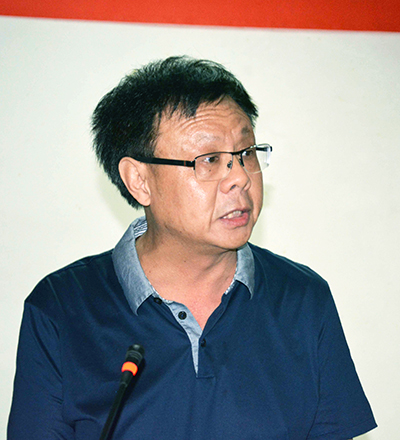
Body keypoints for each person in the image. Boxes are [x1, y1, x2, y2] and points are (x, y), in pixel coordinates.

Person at [8, 56, 376, 439]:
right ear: (140, 180)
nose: (239, 178)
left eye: (246, 153)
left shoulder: (302, 299)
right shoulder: (61, 308)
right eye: (210, 160)